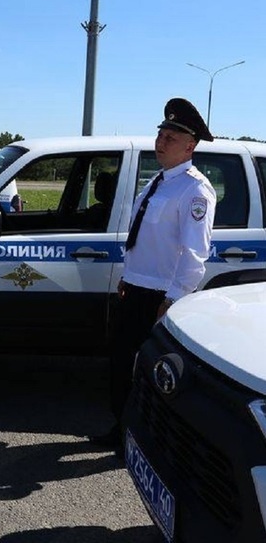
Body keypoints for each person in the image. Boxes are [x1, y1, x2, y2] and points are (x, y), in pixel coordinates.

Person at [90, 97, 216, 451]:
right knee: (120, 366)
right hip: (137, 288)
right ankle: (122, 432)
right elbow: (144, 237)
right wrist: (128, 276)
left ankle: (146, 443)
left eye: (171, 138)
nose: (161, 142)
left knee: (152, 373)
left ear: (190, 146)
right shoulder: (158, 181)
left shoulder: (195, 190)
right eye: (161, 134)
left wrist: (173, 299)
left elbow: (195, 253)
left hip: (159, 297)